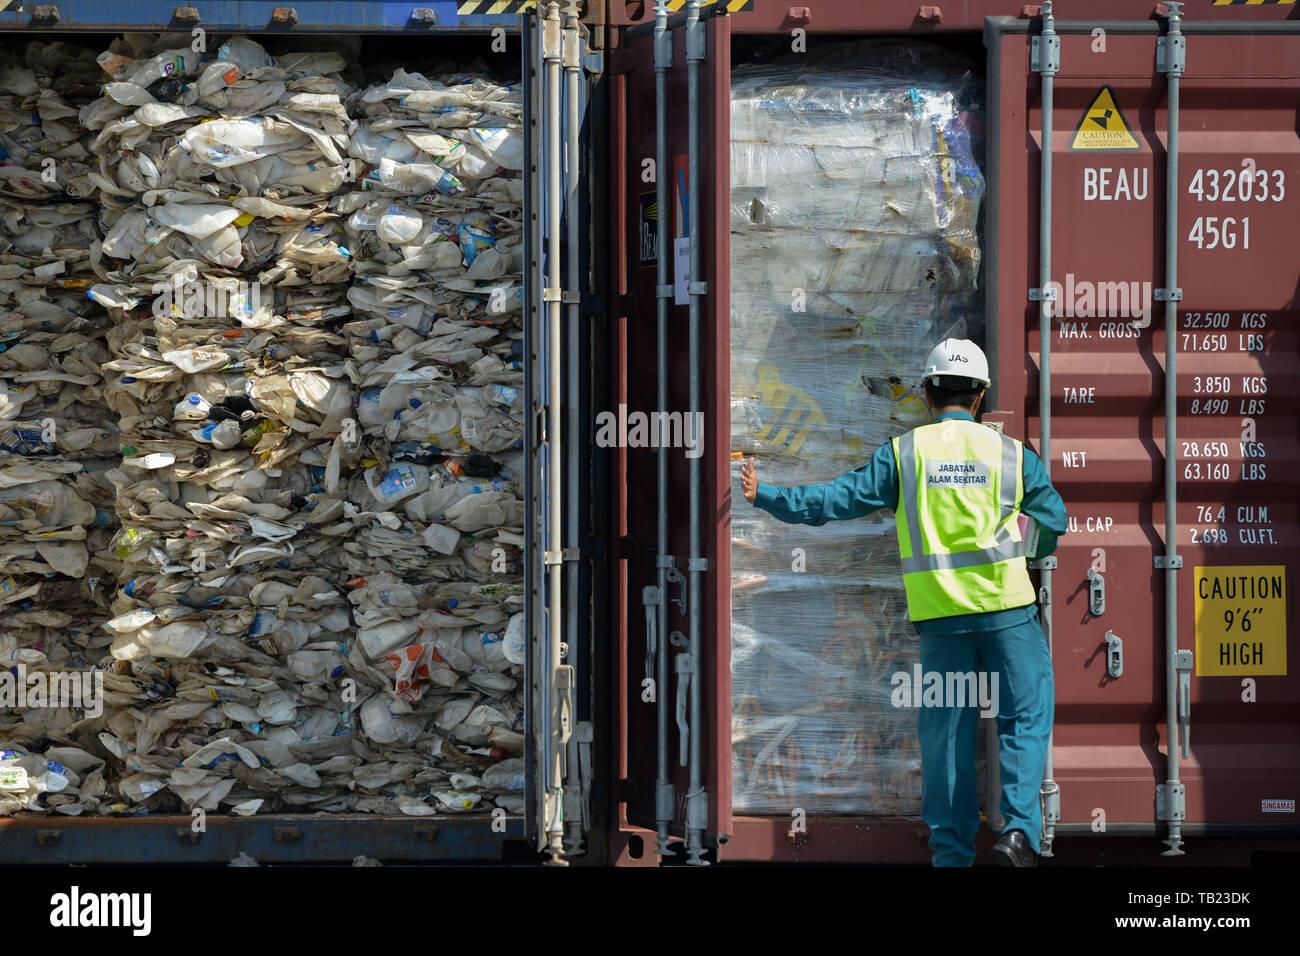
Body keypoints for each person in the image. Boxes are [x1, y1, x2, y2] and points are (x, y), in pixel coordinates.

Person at [740, 338, 1067, 867]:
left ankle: (951, 856)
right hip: (1009, 615)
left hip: (942, 624)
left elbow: (834, 501)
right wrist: (1020, 542)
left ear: (927, 394)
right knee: (1025, 717)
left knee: (946, 736)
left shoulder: (904, 455)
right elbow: (1054, 524)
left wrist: (770, 495)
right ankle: (1020, 835)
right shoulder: (1010, 455)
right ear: (981, 396)